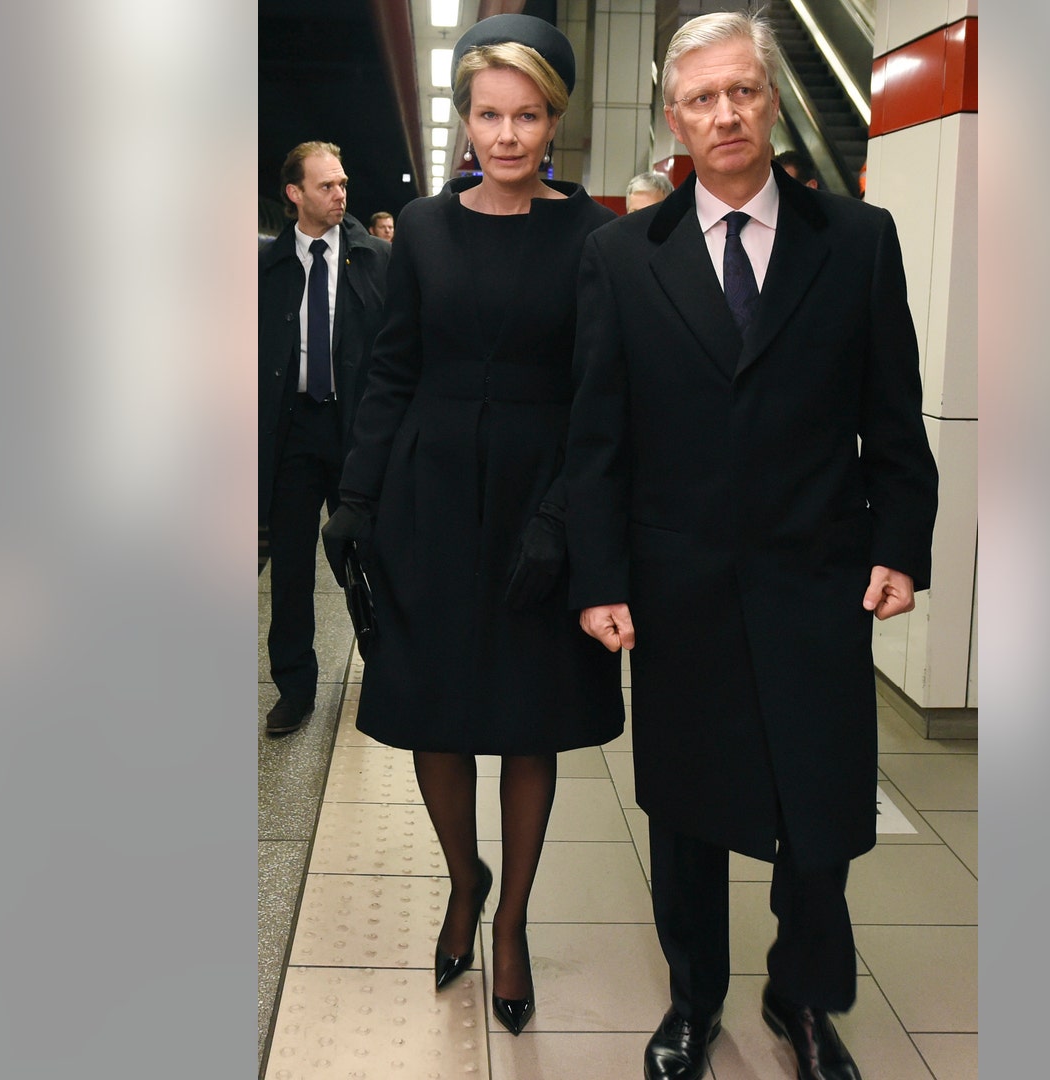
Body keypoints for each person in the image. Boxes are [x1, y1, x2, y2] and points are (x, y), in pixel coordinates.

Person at [566, 12, 938, 1080]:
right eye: (701, 98)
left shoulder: (857, 242)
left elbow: (894, 414)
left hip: (819, 577)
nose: (724, 114)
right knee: (683, 809)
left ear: (771, 99)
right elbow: (598, 438)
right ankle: (692, 1001)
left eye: (742, 91)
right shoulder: (622, 259)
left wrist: (902, 544)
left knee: (817, 811)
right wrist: (600, 577)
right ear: (671, 117)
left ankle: (805, 1000)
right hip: (675, 585)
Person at [319, 13, 622, 1038]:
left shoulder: (595, 240)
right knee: (433, 715)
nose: (506, 134)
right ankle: (464, 878)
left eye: (527, 114)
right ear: (466, 119)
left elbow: (599, 396)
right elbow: (392, 370)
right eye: (489, 114)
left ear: (554, 120)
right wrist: (355, 496)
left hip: (541, 504)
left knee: (529, 720)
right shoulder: (424, 227)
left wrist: (562, 516)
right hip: (430, 501)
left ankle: (512, 926)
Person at [258, 142, 390, 737]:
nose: (340, 195)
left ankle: (387, 671)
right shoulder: (267, 267)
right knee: (289, 568)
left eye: (343, 184)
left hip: (355, 431)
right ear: (295, 195)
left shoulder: (375, 259)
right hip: (291, 435)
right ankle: (294, 686)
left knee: (368, 555)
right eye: (326, 186)